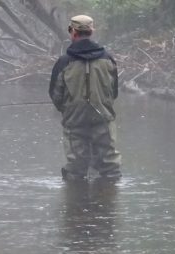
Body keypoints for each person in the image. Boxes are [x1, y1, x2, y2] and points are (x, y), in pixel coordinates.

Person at [49, 15, 121, 181]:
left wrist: (68, 110)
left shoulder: (64, 62)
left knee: (76, 167)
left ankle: (76, 202)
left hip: (74, 120)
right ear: (91, 31)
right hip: (103, 117)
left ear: (72, 32)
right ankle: (108, 200)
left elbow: (55, 95)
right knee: (110, 167)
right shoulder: (107, 59)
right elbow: (114, 92)